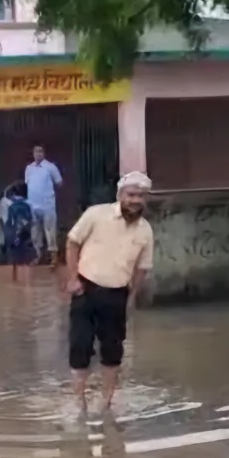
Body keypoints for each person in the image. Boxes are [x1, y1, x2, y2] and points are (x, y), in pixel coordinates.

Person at [64, 171, 154, 417]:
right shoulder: (96, 214)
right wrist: (72, 279)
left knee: (113, 350)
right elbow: (72, 243)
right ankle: (78, 402)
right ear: (120, 195)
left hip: (117, 295)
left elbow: (142, 268)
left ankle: (105, 402)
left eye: (140, 196)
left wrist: (131, 298)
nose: (135, 200)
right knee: (80, 346)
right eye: (131, 194)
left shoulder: (145, 230)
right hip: (85, 289)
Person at [24, 145, 62, 267]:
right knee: (35, 233)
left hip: (47, 205)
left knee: (50, 230)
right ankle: (38, 256)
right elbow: (27, 183)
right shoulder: (29, 168)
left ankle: (53, 258)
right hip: (33, 205)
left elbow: (59, 182)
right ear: (33, 154)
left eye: (41, 151)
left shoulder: (50, 167)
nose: (38, 154)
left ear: (44, 153)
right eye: (36, 152)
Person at [3, 182, 35, 280]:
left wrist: (10, 236)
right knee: (28, 260)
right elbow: (31, 220)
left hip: (15, 236)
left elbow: (9, 223)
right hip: (26, 234)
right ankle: (28, 283)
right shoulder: (27, 206)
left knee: (14, 261)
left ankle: (15, 279)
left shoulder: (12, 207)